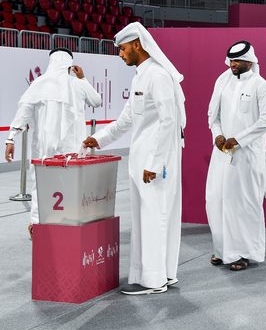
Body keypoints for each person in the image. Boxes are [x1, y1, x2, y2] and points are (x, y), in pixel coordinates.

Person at [83, 22, 186, 294]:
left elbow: (169, 122)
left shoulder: (158, 76)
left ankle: (154, 281)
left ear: (137, 45)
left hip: (155, 161)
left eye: (123, 48)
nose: (120, 54)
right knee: (145, 218)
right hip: (142, 159)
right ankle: (160, 274)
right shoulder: (140, 76)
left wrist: (154, 163)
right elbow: (127, 119)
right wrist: (100, 138)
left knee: (155, 216)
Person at [5, 48, 102, 238]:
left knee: (40, 185)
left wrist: (11, 138)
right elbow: (97, 101)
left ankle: (37, 225)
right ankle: (71, 228)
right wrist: (83, 79)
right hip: (74, 150)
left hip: (44, 148)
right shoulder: (77, 85)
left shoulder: (39, 84)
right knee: (73, 187)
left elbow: (23, 113)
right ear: (69, 65)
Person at [205, 41, 266, 271]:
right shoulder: (222, 81)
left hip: (247, 156)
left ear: (250, 61)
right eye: (230, 61)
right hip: (222, 153)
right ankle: (222, 250)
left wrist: (239, 139)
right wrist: (218, 135)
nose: (232, 65)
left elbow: (265, 121)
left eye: (237, 61)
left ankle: (244, 253)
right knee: (217, 200)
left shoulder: (261, 86)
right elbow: (213, 115)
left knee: (243, 204)